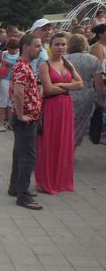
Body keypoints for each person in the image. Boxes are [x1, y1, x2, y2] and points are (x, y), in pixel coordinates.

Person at [35, 32, 82, 194]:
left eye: (63, 44)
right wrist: (68, 84)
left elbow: (80, 84)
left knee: (64, 142)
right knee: (49, 142)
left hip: (65, 106)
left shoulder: (67, 63)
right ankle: (46, 181)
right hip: (51, 107)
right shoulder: (44, 65)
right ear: (50, 46)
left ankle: (61, 180)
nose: (60, 47)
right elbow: (48, 89)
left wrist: (61, 85)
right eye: (57, 44)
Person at [9, 34, 44, 210]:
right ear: (25, 47)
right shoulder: (22, 67)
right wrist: (22, 114)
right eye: (37, 46)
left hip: (27, 117)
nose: (40, 49)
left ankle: (15, 188)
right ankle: (23, 194)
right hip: (25, 119)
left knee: (19, 154)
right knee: (28, 157)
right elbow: (18, 92)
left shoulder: (24, 66)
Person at [66, 33, 105, 147]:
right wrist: (100, 99)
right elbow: (98, 82)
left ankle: (65, 147)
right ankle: (72, 147)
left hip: (68, 92)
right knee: (81, 123)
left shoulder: (64, 59)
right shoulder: (93, 60)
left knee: (67, 121)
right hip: (86, 94)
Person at [0, 38, 20, 132]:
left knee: (11, 102)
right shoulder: (4, 53)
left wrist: (8, 63)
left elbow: (20, 65)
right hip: (4, 79)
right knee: (3, 100)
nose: (12, 50)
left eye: (14, 48)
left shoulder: (19, 53)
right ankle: (0, 123)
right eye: (10, 48)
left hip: (14, 79)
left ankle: (10, 122)